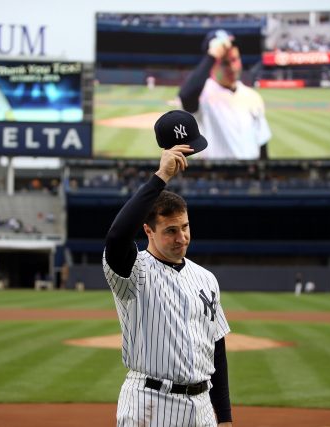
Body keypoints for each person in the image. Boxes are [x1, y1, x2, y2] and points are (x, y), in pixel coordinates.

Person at [102, 113, 232, 426]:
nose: (181, 237)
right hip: (149, 403)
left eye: (185, 228)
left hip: (201, 406)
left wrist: (224, 416)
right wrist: (160, 178)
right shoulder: (133, 272)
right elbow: (117, 237)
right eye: (171, 231)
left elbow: (217, 348)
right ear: (148, 230)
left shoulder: (205, 278)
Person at [179, 29, 272, 160]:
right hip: (215, 175)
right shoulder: (203, 93)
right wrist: (212, 55)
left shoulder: (252, 96)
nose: (232, 68)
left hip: (249, 175)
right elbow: (186, 96)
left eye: (234, 59)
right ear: (212, 65)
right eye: (224, 63)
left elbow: (262, 143)